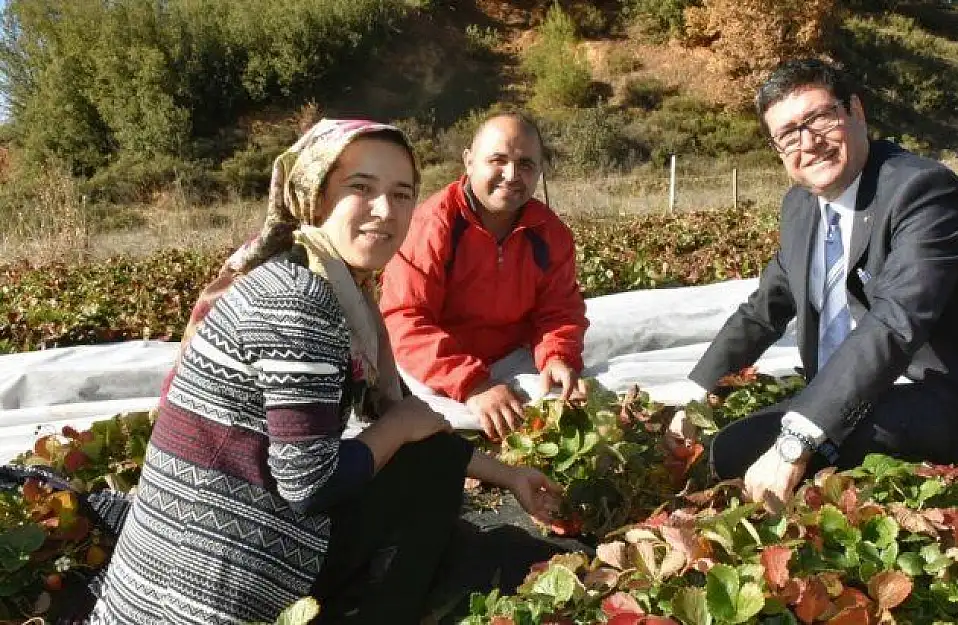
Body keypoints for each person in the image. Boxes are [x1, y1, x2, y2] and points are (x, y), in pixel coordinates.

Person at [89, 119, 562, 625]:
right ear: (314, 195)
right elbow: (313, 485)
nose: (386, 211)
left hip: (204, 548)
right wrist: (398, 429)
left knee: (419, 459)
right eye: (361, 188)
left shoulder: (335, 286)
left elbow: (408, 418)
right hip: (212, 589)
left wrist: (510, 476)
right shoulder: (298, 299)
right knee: (420, 472)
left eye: (402, 194)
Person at [690, 59, 958, 511]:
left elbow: (895, 320)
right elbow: (766, 306)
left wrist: (796, 442)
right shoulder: (801, 206)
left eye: (819, 119)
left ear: (856, 112)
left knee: (784, 455)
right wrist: (698, 394)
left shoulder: (923, 191)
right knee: (733, 446)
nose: (808, 144)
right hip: (876, 391)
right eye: (788, 135)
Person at [379, 111, 589, 440]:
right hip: (434, 369)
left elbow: (559, 310)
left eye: (525, 165)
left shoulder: (550, 233)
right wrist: (475, 385)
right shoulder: (432, 227)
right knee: (422, 430)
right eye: (498, 160)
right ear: (469, 161)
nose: (511, 175)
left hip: (511, 360)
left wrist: (558, 357)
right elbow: (405, 320)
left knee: (570, 406)